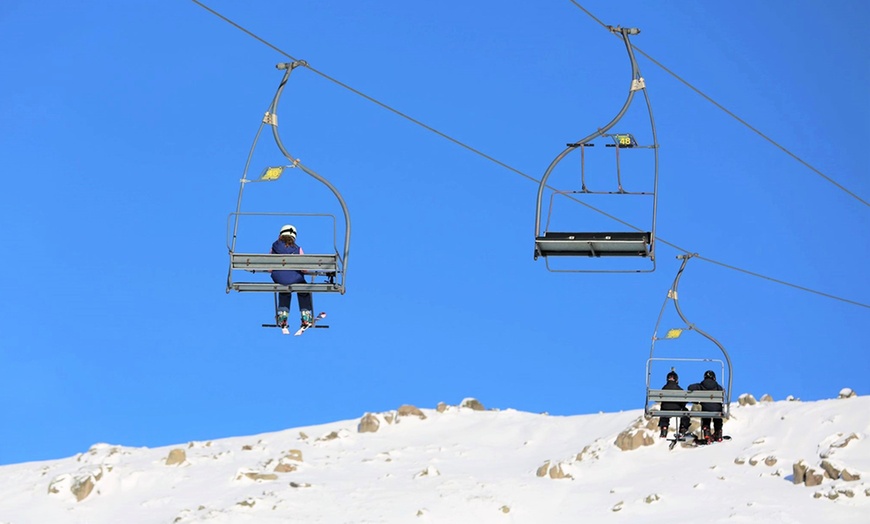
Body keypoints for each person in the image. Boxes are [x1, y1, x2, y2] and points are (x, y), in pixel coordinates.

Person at [270, 224, 314, 329]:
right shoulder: (297, 249)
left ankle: (282, 315)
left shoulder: (274, 247)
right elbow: (304, 269)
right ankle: (306, 315)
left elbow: (269, 267)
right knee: (303, 290)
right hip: (296, 279)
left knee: (284, 289)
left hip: (279, 278)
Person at [688, 370, 725, 442]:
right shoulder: (718, 386)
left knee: (706, 412)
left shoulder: (701, 385)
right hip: (717, 409)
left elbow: (690, 387)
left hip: (706, 409)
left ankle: (706, 429)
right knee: (717, 415)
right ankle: (718, 432)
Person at [658, 370, 690, 439]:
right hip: (677, 408)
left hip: (665, 409)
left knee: (663, 412)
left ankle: (664, 428)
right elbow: (685, 400)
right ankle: (683, 428)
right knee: (685, 412)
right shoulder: (679, 389)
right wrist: (682, 405)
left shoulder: (664, 388)